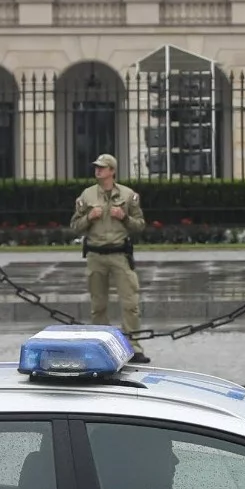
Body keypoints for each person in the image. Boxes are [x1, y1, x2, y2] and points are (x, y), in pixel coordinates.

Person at [70, 153, 149, 362]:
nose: (98, 170)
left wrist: (124, 217)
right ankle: (101, 348)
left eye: (102, 167)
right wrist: (89, 217)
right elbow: (75, 226)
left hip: (119, 253)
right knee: (98, 305)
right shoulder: (86, 195)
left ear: (112, 171)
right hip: (96, 255)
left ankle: (133, 346)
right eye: (97, 167)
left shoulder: (128, 195)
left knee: (130, 302)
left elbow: (140, 225)